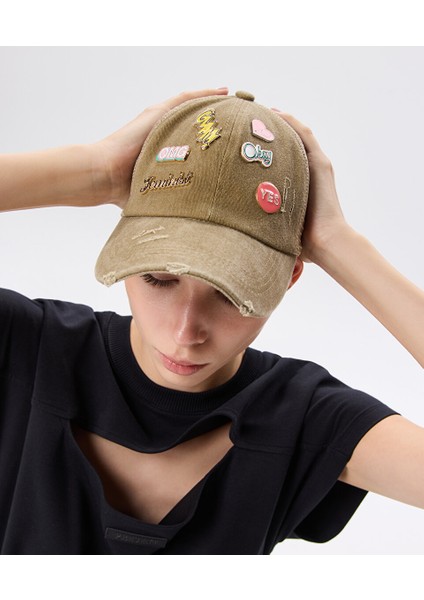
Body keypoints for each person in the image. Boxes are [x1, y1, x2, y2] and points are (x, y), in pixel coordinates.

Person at [0, 87, 423, 555]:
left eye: (229, 294)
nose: (186, 333)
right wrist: (96, 171)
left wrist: (336, 242)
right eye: (159, 279)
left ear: (289, 279)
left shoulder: (305, 417)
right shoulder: (26, 348)